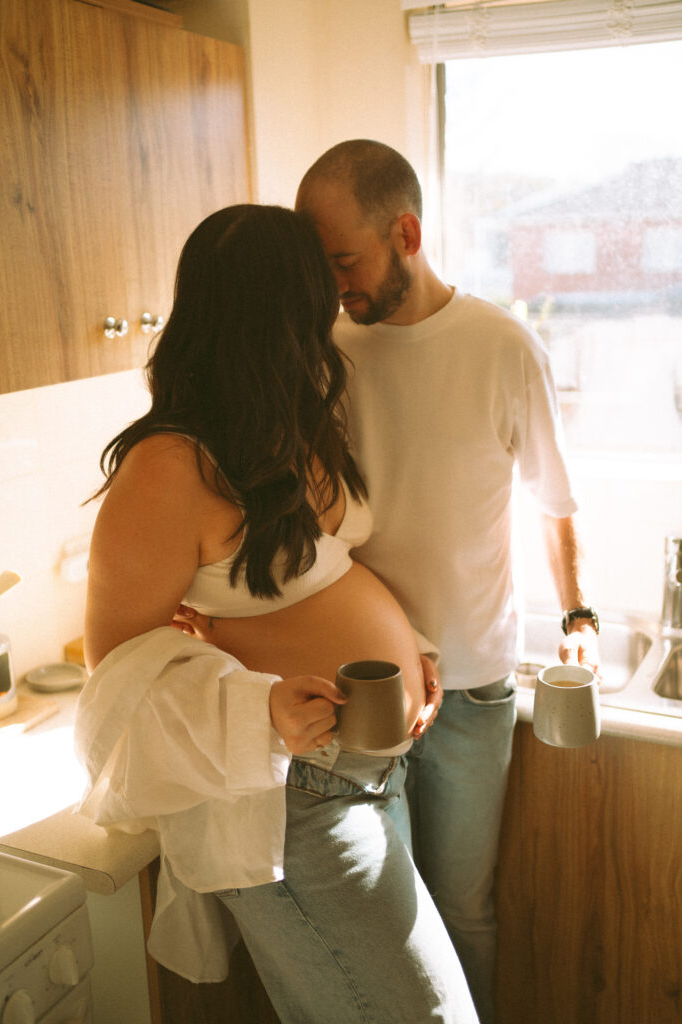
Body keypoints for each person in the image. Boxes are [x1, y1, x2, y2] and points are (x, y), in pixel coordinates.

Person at [77, 204, 479, 1024]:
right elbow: (112, 680)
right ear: (275, 313)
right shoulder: (168, 467)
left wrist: (412, 651)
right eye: (318, 293)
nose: (336, 307)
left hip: (371, 772)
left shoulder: (291, 423)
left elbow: (325, 575)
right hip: (298, 801)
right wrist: (253, 708)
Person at [289, 140, 602, 1024]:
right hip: (361, 690)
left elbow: (555, 500)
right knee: (382, 926)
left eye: (344, 260)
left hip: (469, 690)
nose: (334, 283)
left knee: (461, 911)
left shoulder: (502, 346)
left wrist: (575, 610)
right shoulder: (324, 350)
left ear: (407, 233)